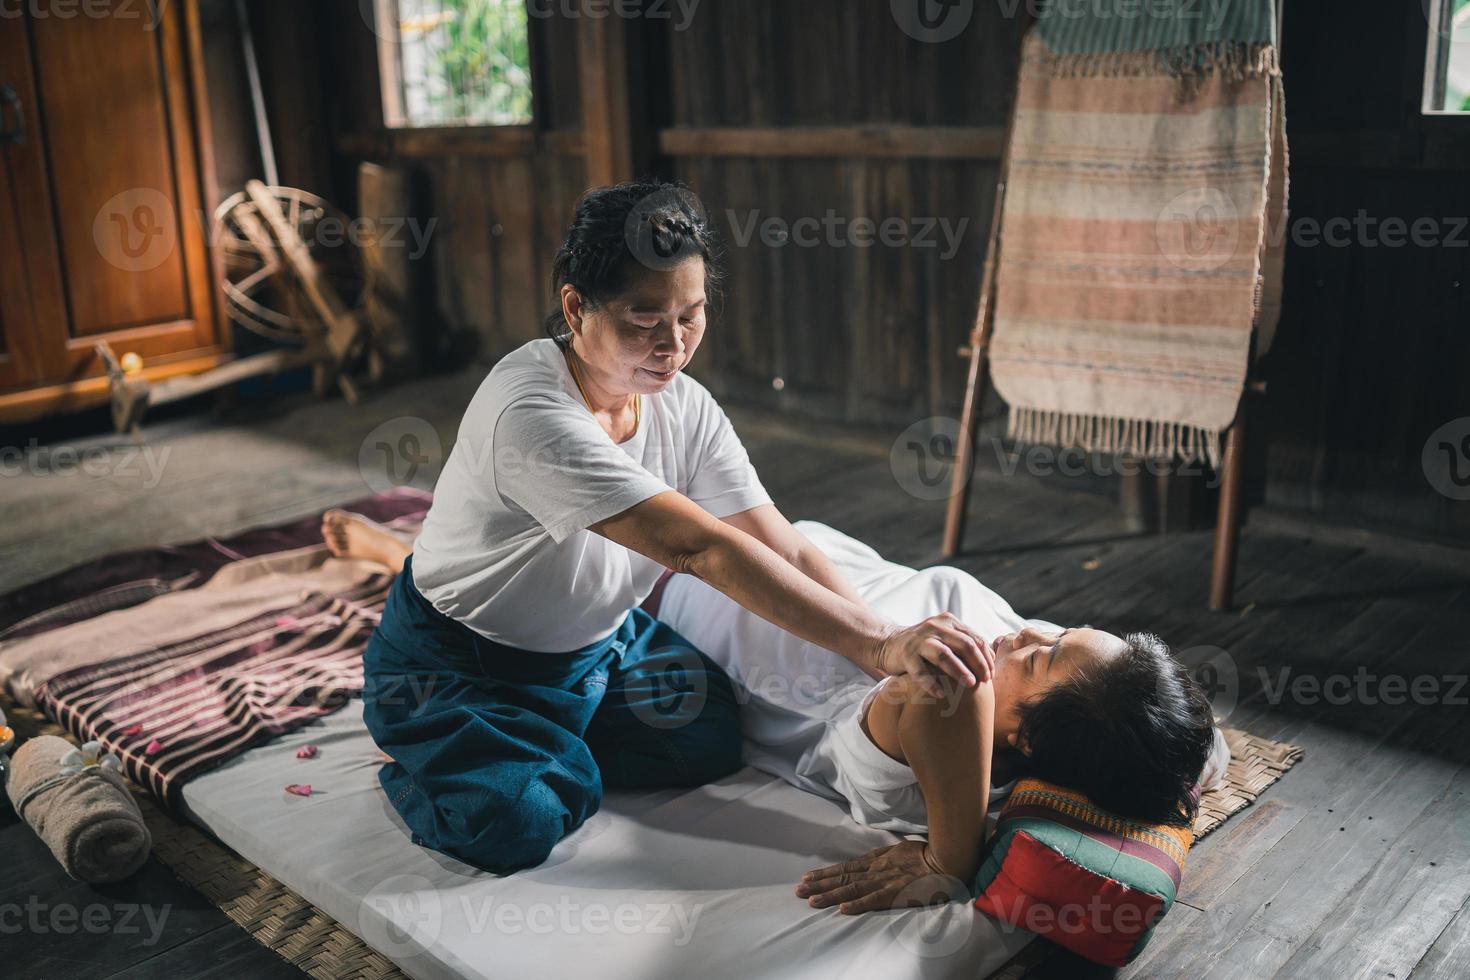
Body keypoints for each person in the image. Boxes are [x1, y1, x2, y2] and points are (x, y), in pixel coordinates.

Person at [355, 182, 995, 876]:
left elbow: (779, 539)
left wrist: (881, 647)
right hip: (464, 665)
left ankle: (547, 744)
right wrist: (881, 646)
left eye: (691, 316)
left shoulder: (682, 406)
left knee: (711, 735)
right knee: (517, 823)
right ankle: (432, 747)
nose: (673, 345)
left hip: (597, 651)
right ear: (576, 308)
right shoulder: (532, 414)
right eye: (644, 319)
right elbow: (701, 548)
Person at [327, 513, 1228, 913]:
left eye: (1039, 656)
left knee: (513, 576)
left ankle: (398, 559)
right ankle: (404, 546)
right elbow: (1200, 746)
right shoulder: (1057, 691)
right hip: (768, 542)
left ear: (1024, 737)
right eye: (1062, 628)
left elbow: (944, 689)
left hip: (672, 597)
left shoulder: (918, 768)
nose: (1022, 630)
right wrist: (1180, 753)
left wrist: (952, 859)